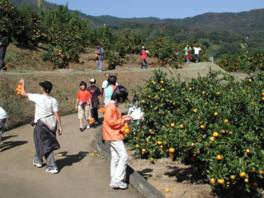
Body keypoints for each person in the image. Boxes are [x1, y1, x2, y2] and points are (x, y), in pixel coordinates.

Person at [19, 79, 62, 174]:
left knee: (46, 144)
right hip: (52, 124)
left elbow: (23, 93)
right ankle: (38, 160)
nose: (40, 87)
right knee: (41, 142)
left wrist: (22, 83)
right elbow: (57, 114)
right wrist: (60, 126)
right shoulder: (53, 100)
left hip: (42, 124)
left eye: (42, 86)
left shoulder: (38, 97)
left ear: (45, 89)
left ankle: (52, 166)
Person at [102, 85, 132, 189]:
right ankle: (117, 180)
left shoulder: (113, 105)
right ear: (119, 97)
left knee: (115, 157)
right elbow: (111, 122)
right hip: (114, 135)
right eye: (123, 98)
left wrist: (125, 117)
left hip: (111, 135)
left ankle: (114, 179)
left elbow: (115, 118)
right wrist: (124, 120)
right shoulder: (111, 107)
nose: (123, 100)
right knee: (124, 157)